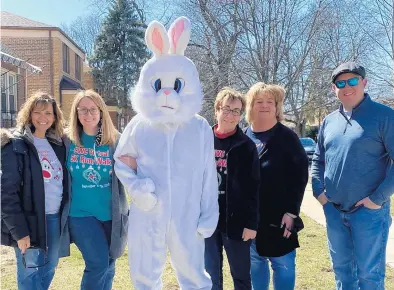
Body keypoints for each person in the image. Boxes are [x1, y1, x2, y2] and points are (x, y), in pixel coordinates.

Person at [113, 17, 219, 290]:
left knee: (193, 272)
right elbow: (122, 162)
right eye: (159, 85)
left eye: (178, 86)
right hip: (149, 210)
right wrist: (138, 190)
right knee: (145, 272)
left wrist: (209, 211)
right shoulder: (139, 125)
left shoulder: (199, 127)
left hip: (188, 211)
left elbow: (209, 174)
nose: (168, 93)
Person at [311, 61, 394, 289]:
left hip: (368, 214)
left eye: (353, 80)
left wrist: (376, 200)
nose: (347, 86)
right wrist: (319, 192)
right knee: (342, 273)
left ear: (364, 82)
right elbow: (318, 160)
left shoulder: (385, 116)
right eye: (341, 82)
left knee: (369, 275)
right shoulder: (329, 121)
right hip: (335, 211)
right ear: (333, 88)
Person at [62, 90, 128, 290]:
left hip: (111, 214)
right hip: (80, 214)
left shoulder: (116, 140)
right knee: (98, 263)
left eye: (92, 109)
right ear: (76, 113)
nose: (88, 114)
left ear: (101, 112)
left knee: (109, 262)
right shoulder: (67, 140)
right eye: (83, 109)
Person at [244, 82, 309, 290]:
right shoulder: (244, 135)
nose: (264, 106)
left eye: (269, 102)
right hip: (250, 218)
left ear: (277, 107)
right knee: (255, 263)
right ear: (250, 106)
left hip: (279, 218)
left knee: (283, 265)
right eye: (259, 101)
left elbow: (299, 178)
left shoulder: (287, 138)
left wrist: (292, 212)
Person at [1, 92, 67, 290]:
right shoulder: (15, 145)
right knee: (29, 271)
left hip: (54, 218)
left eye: (48, 113)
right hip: (29, 220)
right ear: (29, 114)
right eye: (37, 112)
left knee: (50, 266)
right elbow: (6, 193)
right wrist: (19, 231)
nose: (43, 117)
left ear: (55, 117)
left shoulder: (58, 145)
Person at [202, 87, 260, 290]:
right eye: (226, 109)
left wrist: (251, 224)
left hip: (235, 220)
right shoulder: (202, 139)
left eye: (236, 111)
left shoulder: (246, 146)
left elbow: (253, 189)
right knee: (210, 274)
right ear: (216, 110)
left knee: (241, 275)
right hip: (206, 217)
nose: (231, 115)